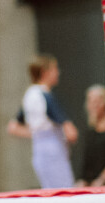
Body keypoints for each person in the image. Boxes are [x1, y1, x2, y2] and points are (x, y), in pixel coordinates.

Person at [11, 54, 76, 189]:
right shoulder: (46, 96)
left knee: (49, 190)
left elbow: (13, 127)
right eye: (55, 69)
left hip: (38, 150)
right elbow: (71, 133)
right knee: (64, 190)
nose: (58, 72)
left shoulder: (29, 95)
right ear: (45, 72)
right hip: (54, 150)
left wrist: (38, 134)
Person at [75, 85, 105, 187]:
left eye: (98, 101)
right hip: (91, 184)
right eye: (91, 101)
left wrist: (101, 180)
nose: (94, 105)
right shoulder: (90, 132)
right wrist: (82, 182)